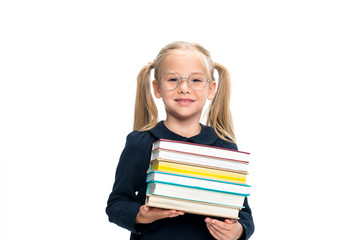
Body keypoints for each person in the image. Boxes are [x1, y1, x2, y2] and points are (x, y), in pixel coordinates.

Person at [106, 41, 254, 240]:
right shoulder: (141, 143)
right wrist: (141, 215)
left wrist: (237, 231)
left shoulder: (224, 146)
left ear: (211, 89)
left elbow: (243, 213)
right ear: (157, 88)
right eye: (173, 79)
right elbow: (117, 204)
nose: (184, 88)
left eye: (196, 80)